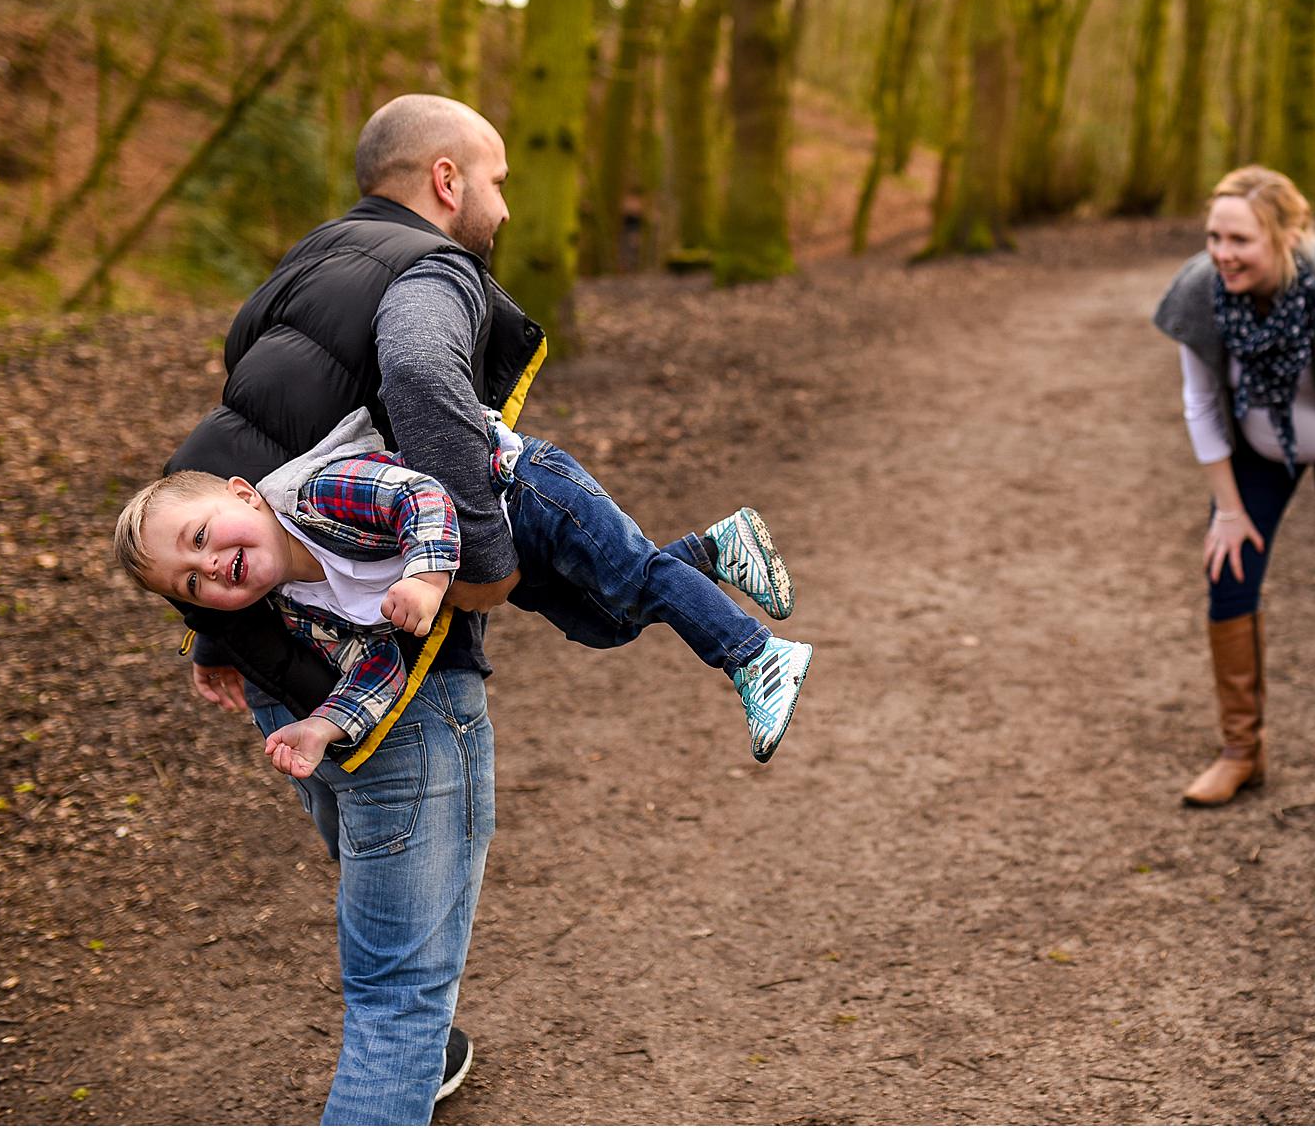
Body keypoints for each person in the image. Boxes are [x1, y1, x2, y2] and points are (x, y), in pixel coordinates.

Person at [161, 93, 547, 1123]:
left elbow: (245, 444)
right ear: (447, 180)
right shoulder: (433, 269)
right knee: (395, 993)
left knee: (388, 914)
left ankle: (430, 1046)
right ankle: (409, 1047)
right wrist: (484, 563)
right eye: (498, 179)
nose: (506, 207)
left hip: (282, 667)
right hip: (397, 679)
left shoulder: (304, 266)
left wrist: (212, 624)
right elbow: (423, 373)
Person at [116, 406, 813, 774]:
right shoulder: (301, 607)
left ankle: (755, 656)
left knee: (634, 576)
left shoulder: (311, 495)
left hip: (520, 489)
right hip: (504, 561)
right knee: (609, 622)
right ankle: (718, 547)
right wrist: (325, 723)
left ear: (243, 495)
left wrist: (424, 574)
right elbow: (381, 659)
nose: (209, 567)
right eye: (191, 582)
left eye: (203, 536)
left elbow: (420, 497)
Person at [1152, 165, 1315, 811]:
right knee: (1228, 572)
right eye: (1214, 236)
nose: (1222, 253)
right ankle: (1242, 751)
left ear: (1287, 235)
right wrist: (1229, 510)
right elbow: (1200, 401)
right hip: (1259, 446)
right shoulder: (1202, 290)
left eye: (1240, 239)